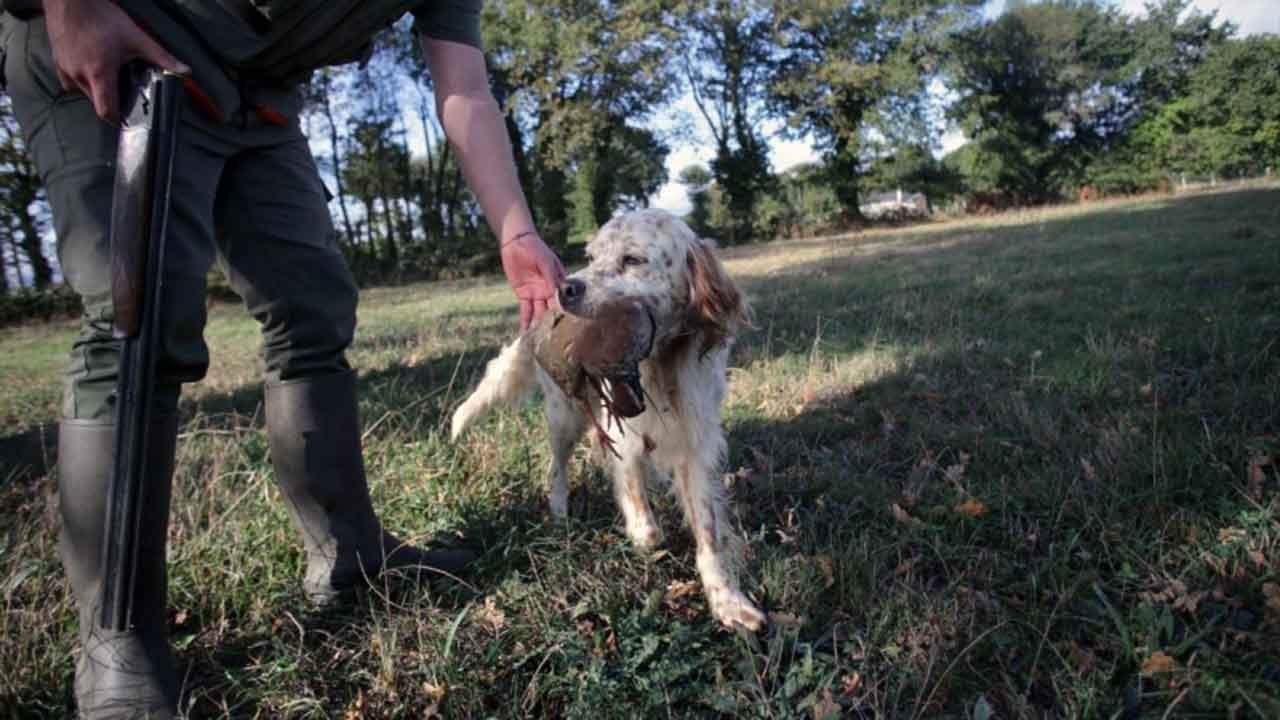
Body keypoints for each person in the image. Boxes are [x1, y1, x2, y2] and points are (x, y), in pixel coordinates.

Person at [0, 1, 566, 717]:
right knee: (137, 318)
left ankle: (348, 555)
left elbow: (465, 89)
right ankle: (117, 639)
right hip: (119, 32)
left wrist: (516, 231)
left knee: (313, 307)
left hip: (251, 91)